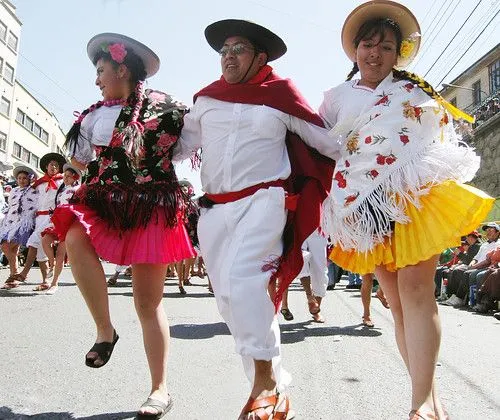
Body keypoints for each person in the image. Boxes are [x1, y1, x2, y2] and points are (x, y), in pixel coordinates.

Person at [319, 2, 494, 419]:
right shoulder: (335, 98)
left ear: (398, 53)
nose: (374, 53)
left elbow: (436, 135)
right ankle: (429, 396)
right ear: (355, 50)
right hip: (366, 207)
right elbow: (321, 146)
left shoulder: (415, 91)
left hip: (415, 196)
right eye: (367, 44)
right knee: (395, 301)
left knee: (416, 291)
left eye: (385, 46)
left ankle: (418, 404)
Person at [174, 19, 339, 419]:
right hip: (213, 211)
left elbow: (328, 143)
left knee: (247, 285)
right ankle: (275, 391)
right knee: (229, 300)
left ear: (260, 58)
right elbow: (179, 147)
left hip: (265, 201)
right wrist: (140, 137)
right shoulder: (206, 101)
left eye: (239, 49)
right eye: (224, 50)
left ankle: (262, 385)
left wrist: (381, 149)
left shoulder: (281, 96)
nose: (228, 56)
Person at [51, 33, 194, 418]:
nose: (97, 80)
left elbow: (186, 145)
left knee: (147, 303)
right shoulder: (91, 115)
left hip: (150, 206)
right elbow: (79, 161)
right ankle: (105, 330)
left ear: (122, 67)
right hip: (103, 201)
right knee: (75, 234)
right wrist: (102, 169)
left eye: (101, 71)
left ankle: (160, 390)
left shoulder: (168, 109)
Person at [23, 152, 67, 291]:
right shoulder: (39, 184)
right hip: (39, 218)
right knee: (40, 250)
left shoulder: (62, 182)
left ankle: (24, 273)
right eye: (51, 164)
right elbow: (31, 200)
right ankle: (45, 281)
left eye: (56, 165)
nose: (53, 166)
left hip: (52, 217)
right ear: (46, 167)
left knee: (33, 242)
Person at [41, 163, 81, 295]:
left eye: (69, 176)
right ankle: (52, 264)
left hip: (69, 224)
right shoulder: (62, 190)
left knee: (60, 253)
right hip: (57, 222)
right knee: (45, 240)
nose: (66, 178)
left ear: (75, 178)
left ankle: (54, 283)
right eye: (65, 176)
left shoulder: (79, 189)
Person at [0, 165, 38, 290]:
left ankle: (13, 275)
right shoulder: (13, 191)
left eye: (24, 178)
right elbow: (11, 206)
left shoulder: (34, 191)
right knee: (6, 246)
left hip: (24, 223)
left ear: (29, 179)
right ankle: (15, 275)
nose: (22, 180)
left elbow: (35, 206)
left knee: (10, 246)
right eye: (20, 178)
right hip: (10, 222)